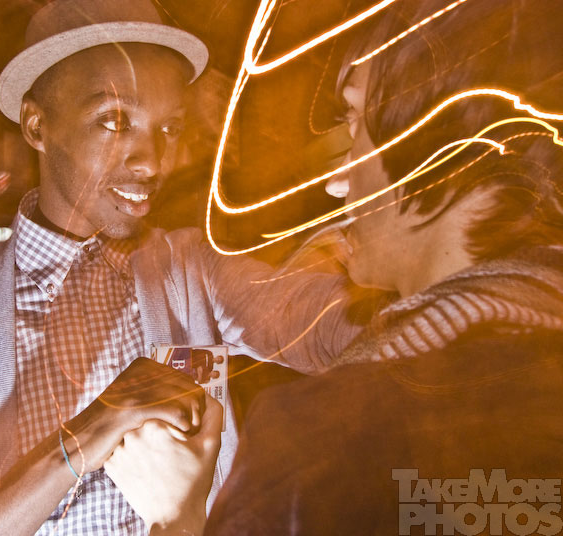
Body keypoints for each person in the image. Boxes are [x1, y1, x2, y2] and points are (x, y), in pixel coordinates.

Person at [0, 1, 366, 534]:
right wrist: (91, 432)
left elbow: (323, 325)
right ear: (37, 126)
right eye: (115, 120)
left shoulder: (191, 270)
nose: (152, 160)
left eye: (169, 127)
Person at [201, 0, 563, 533]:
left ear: (434, 142)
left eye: (356, 125)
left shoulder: (325, 441)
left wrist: (179, 512)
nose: (335, 183)